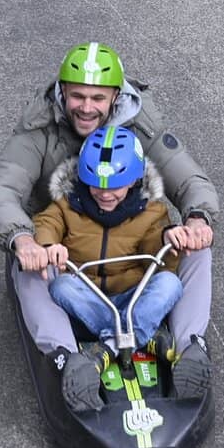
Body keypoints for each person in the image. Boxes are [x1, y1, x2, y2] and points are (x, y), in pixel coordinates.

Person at [0, 42, 217, 398]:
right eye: (77, 96)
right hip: (65, 253)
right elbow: (0, 189)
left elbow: (190, 179)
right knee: (27, 265)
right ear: (62, 92)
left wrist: (196, 221)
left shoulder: (140, 126)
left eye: (97, 98)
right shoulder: (38, 130)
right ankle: (66, 358)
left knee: (200, 247)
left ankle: (189, 346)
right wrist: (26, 240)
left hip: (131, 261)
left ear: (115, 98)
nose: (86, 107)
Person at [35, 126, 189, 411]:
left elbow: (160, 262)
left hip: (133, 297)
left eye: (114, 187)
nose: (104, 194)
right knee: (61, 285)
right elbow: (46, 225)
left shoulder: (151, 211)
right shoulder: (67, 205)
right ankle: (146, 337)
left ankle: (106, 349)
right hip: (90, 303)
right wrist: (48, 246)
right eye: (96, 185)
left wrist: (169, 238)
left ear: (133, 181)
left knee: (170, 283)